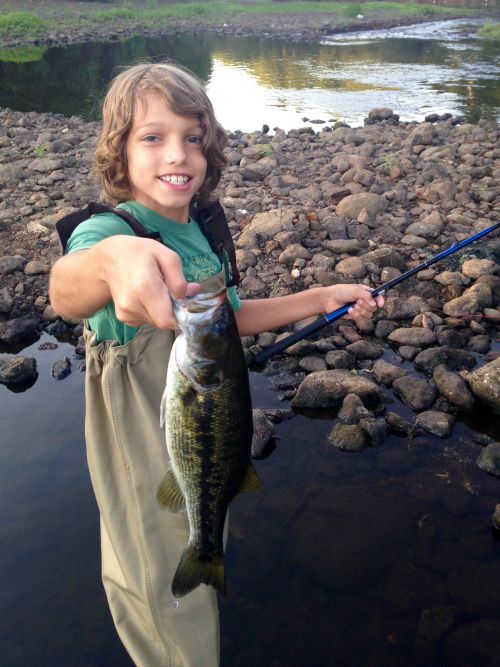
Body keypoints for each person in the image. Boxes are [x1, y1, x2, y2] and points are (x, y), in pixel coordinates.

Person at [49, 62, 384, 667]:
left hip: (205, 423)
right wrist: (111, 263)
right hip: (141, 431)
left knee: (203, 524)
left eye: (193, 136)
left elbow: (230, 314)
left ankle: (205, 558)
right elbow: (68, 288)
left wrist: (320, 297)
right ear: (118, 152)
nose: (177, 153)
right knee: (157, 582)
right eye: (152, 137)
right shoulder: (109, 230)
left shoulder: (198, 228)